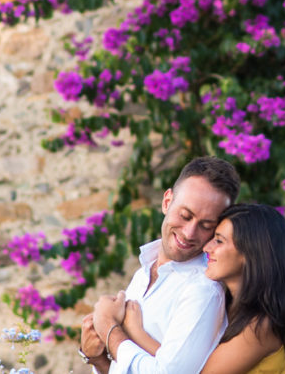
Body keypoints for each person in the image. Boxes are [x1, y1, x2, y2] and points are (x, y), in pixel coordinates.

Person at [93, 203, 285, 374]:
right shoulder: (229, 307)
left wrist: (133, 331)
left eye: (219, 241)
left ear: (252, 254)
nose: (207, 247)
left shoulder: (262, 325)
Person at [80, 156, 241, 374]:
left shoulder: (203, 290)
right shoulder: (144, 271)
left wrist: (108, 328)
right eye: (185, 215)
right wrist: (97, 358)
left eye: (206, 225)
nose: (189, 233)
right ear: (167, 202)